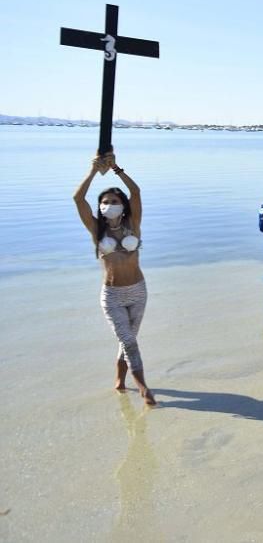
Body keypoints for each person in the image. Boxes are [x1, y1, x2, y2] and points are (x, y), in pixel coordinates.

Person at [73, 151, 157, 406]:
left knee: (127, 339)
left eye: (113, 200)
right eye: (104, 201)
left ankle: (120, 382)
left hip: (138, 291)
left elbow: (137, 193)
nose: (108, 204)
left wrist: (116, 168)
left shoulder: (134, 223)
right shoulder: (96, 229)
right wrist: (93, 171)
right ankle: (143, 387)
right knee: (129, 339)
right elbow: (78, 199)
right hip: (112, 296)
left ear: (122, 205)